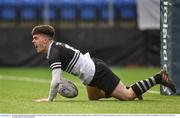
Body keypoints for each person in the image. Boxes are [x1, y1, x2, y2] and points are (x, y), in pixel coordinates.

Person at [32, 25, 176, 102]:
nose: (33, 41)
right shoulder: (55, 48)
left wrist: (49, 99)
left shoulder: (54, 52)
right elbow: (58, 79)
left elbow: (56, 80)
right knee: (93, 97)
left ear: (46, 40)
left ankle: (158, 78)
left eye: (36, 38)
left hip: (97, 72)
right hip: (91, 73)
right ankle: (129, 88)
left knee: (127, 96)